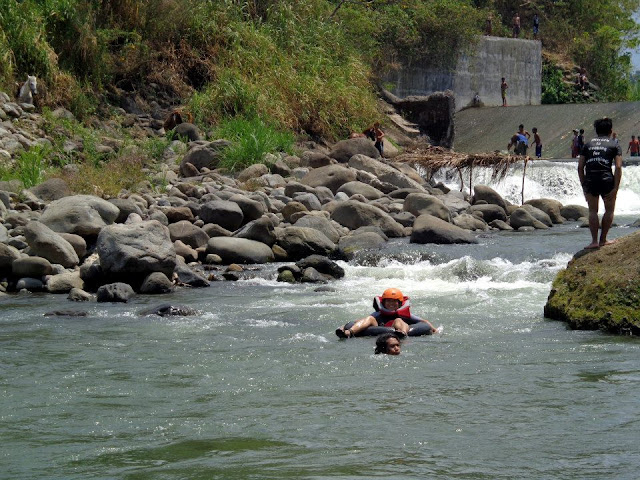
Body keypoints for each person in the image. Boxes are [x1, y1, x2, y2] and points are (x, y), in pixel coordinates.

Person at [578, 117, 622, 249]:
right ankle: (603, 240)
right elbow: (618, 167)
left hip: (590, 180)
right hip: (606, 179)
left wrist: (584, 186)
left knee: (592, 211)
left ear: (596, 131)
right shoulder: (614, 144)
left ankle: (594, 241)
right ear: (610, 130)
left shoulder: (587, 145)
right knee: (609, 210)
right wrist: (615, 188)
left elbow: (580, 167)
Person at [335, 288, 438, 338]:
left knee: (398, 320)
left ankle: (402, 334)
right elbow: (360, 321)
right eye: (388, 301)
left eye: (394, 301)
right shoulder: (378, 314)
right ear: (383, 302)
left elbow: (424, 322)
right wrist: (345, 326)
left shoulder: (406, 314)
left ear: (399, 303)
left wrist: (434, 330)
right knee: (370, 319)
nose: (391, 304)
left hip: (398, 328)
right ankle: (349, 333)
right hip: (380, 327)